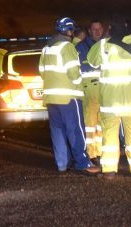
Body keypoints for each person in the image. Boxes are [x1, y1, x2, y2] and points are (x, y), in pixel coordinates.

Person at [87, 14, 131, 179]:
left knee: (109, 136)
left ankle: (109, 170)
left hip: (110, 101)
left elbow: (92, 61)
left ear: (110, 29)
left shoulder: (102, 46)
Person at [38, 17, 100, 174]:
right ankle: (83, 163)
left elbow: (41, 71)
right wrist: (80, 84)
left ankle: (62, 164)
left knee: (57, 131)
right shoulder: (67, 47)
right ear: (70, 31)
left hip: (51, 99)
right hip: (68, 97)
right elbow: (74, 72)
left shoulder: (47, 48)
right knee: (75, 130)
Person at [75, 19, 105, 162]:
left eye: (99, 29)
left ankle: (99, 151)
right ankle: (91, 153)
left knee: (102, 124)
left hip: (104, 90)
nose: (97, 32)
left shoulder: (106, 44)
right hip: (89, 90)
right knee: (90, 124)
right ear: (89, 30)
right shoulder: (81, 47)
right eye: (94, 29)